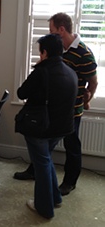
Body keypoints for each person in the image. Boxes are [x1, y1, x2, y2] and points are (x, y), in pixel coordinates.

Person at [14, 12, 98, 196]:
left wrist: (87, 100)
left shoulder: (84, 53)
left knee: (71, 145)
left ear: (62, 29)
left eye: (52, 30)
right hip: (49, 107)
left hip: (71, 109)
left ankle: (69, 182)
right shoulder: (57, 49)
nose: (50, 34)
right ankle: (34, 170)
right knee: (45, 144)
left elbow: (93, 82)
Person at [15, 33, 78, 218]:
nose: (39, 55)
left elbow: (21, 92)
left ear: (45, 52)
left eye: (40, 52)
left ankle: (44, 208)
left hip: (41, 128)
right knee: (46, 160)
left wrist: (38, 68)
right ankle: (56, 198)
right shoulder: (70, 72)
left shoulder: (42, 72)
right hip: (62, 128)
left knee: (41, 165)